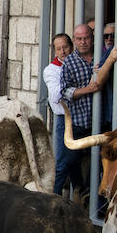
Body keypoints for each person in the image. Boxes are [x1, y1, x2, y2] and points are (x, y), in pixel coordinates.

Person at [58, 24, 100, 202]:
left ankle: (94, 203)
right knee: (65, 164)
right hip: (79, 123)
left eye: (86, 38)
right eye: (79, 39)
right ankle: (49, 199)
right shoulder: (70, 62)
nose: (83, 42)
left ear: (92, 38)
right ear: (74, 41)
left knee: (100, 165)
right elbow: (65, 92)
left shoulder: (101, 57)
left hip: (100, 124)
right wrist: (88, 89)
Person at [45, 33, 83, 198]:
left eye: (65, 47)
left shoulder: (79, 62)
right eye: (58, 48)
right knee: (62, 162)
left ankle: (81, 193)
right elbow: (56, 96)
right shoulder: (51, 70)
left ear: (71, 46)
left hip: (82, 116)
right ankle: (53, 199)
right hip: (64, 119)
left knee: (75, 160)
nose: (62, 51)